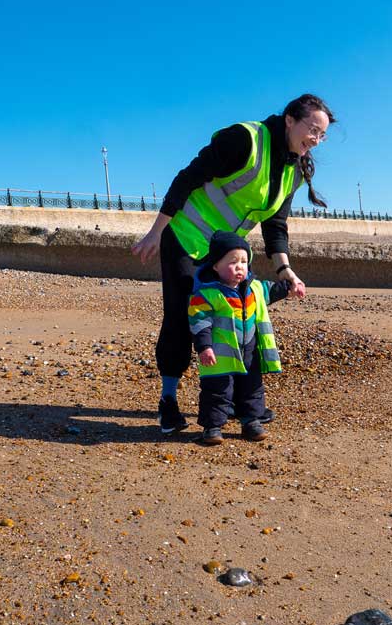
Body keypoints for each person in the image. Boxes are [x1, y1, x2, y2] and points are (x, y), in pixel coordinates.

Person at [132, 93, 335, 434]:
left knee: (236, 318)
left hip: (224, 252)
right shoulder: (246, 139)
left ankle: (232, 403)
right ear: (289, 120)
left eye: (322, 135)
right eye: (312, 129)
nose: (315, 140)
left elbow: (276, 225)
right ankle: (168, 400)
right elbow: (189, 176)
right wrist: (156, 231)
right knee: (185, 314)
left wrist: (285, 269)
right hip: (185, 234)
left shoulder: (295, 171)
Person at [190, 231, 291, 444]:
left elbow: (272, 290)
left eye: (244, 261)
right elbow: (199, 322)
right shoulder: (207, 294)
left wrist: (290, 286)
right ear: (215, 266)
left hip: (250, 352)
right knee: (217, 391)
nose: (240, 267)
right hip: (220, 357)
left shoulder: (254, 288)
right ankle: (212, 427)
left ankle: (251, 422)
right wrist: (204, 347)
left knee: (252, 388)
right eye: (233, 261)